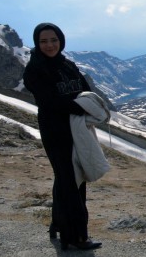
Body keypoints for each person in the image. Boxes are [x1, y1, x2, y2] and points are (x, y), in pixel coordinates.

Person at [22, 23, 102, 251]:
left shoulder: (67, 65)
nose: (49, 45)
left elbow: (87, 90)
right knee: (70, 182)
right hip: (56, 132)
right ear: (37, 43)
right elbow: (50, 101)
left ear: (61, 40)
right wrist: (80, 107)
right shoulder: (35, 70)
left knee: (70, 179)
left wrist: (86, 104)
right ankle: (76, 237)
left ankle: (58, 225)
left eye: (54, 40)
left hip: (77, 130)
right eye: (44, 41)